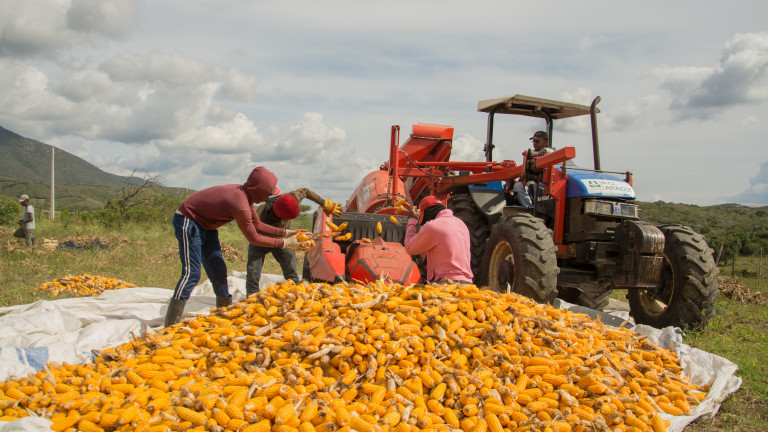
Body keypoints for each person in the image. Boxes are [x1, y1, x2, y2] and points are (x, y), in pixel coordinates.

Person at [164, 167, 309, 327]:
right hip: (188, 220)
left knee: (219, 270)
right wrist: (286, 243)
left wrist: (287, 233)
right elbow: (253, 237)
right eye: (268, 193)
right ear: (260, 191)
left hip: (207, 226)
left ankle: (223, 314)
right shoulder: (239, 202)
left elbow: (257, 225)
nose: (269, 197)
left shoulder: (247, 197)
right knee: (192, 273)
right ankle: (170, 324)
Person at [245, 189, 341, 296]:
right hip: (261, 238)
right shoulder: (263, 214)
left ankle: (295, 291)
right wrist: (286, 242)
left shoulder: (292, 198)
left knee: (290, 266)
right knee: (253, 269)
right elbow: (255, 236)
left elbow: (306, 191)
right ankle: (251, 295)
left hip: (284, 235)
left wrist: (323, 203)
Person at [403, 196, 473, 284]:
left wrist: (412, 220)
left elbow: (409, 248)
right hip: (467, 283)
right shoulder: (461, 224)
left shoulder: (432, 226)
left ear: (426, 213)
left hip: (446, 283)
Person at [512, 131, 555, 208]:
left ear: (545, 142)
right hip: (531, 181)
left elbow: (548, 152)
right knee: (518, 185)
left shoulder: (550, 153)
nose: (534, 143)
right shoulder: (531, 154)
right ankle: (530, 208)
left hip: (545, 183)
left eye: (537, 141)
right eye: (533, 141)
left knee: (532, 185)